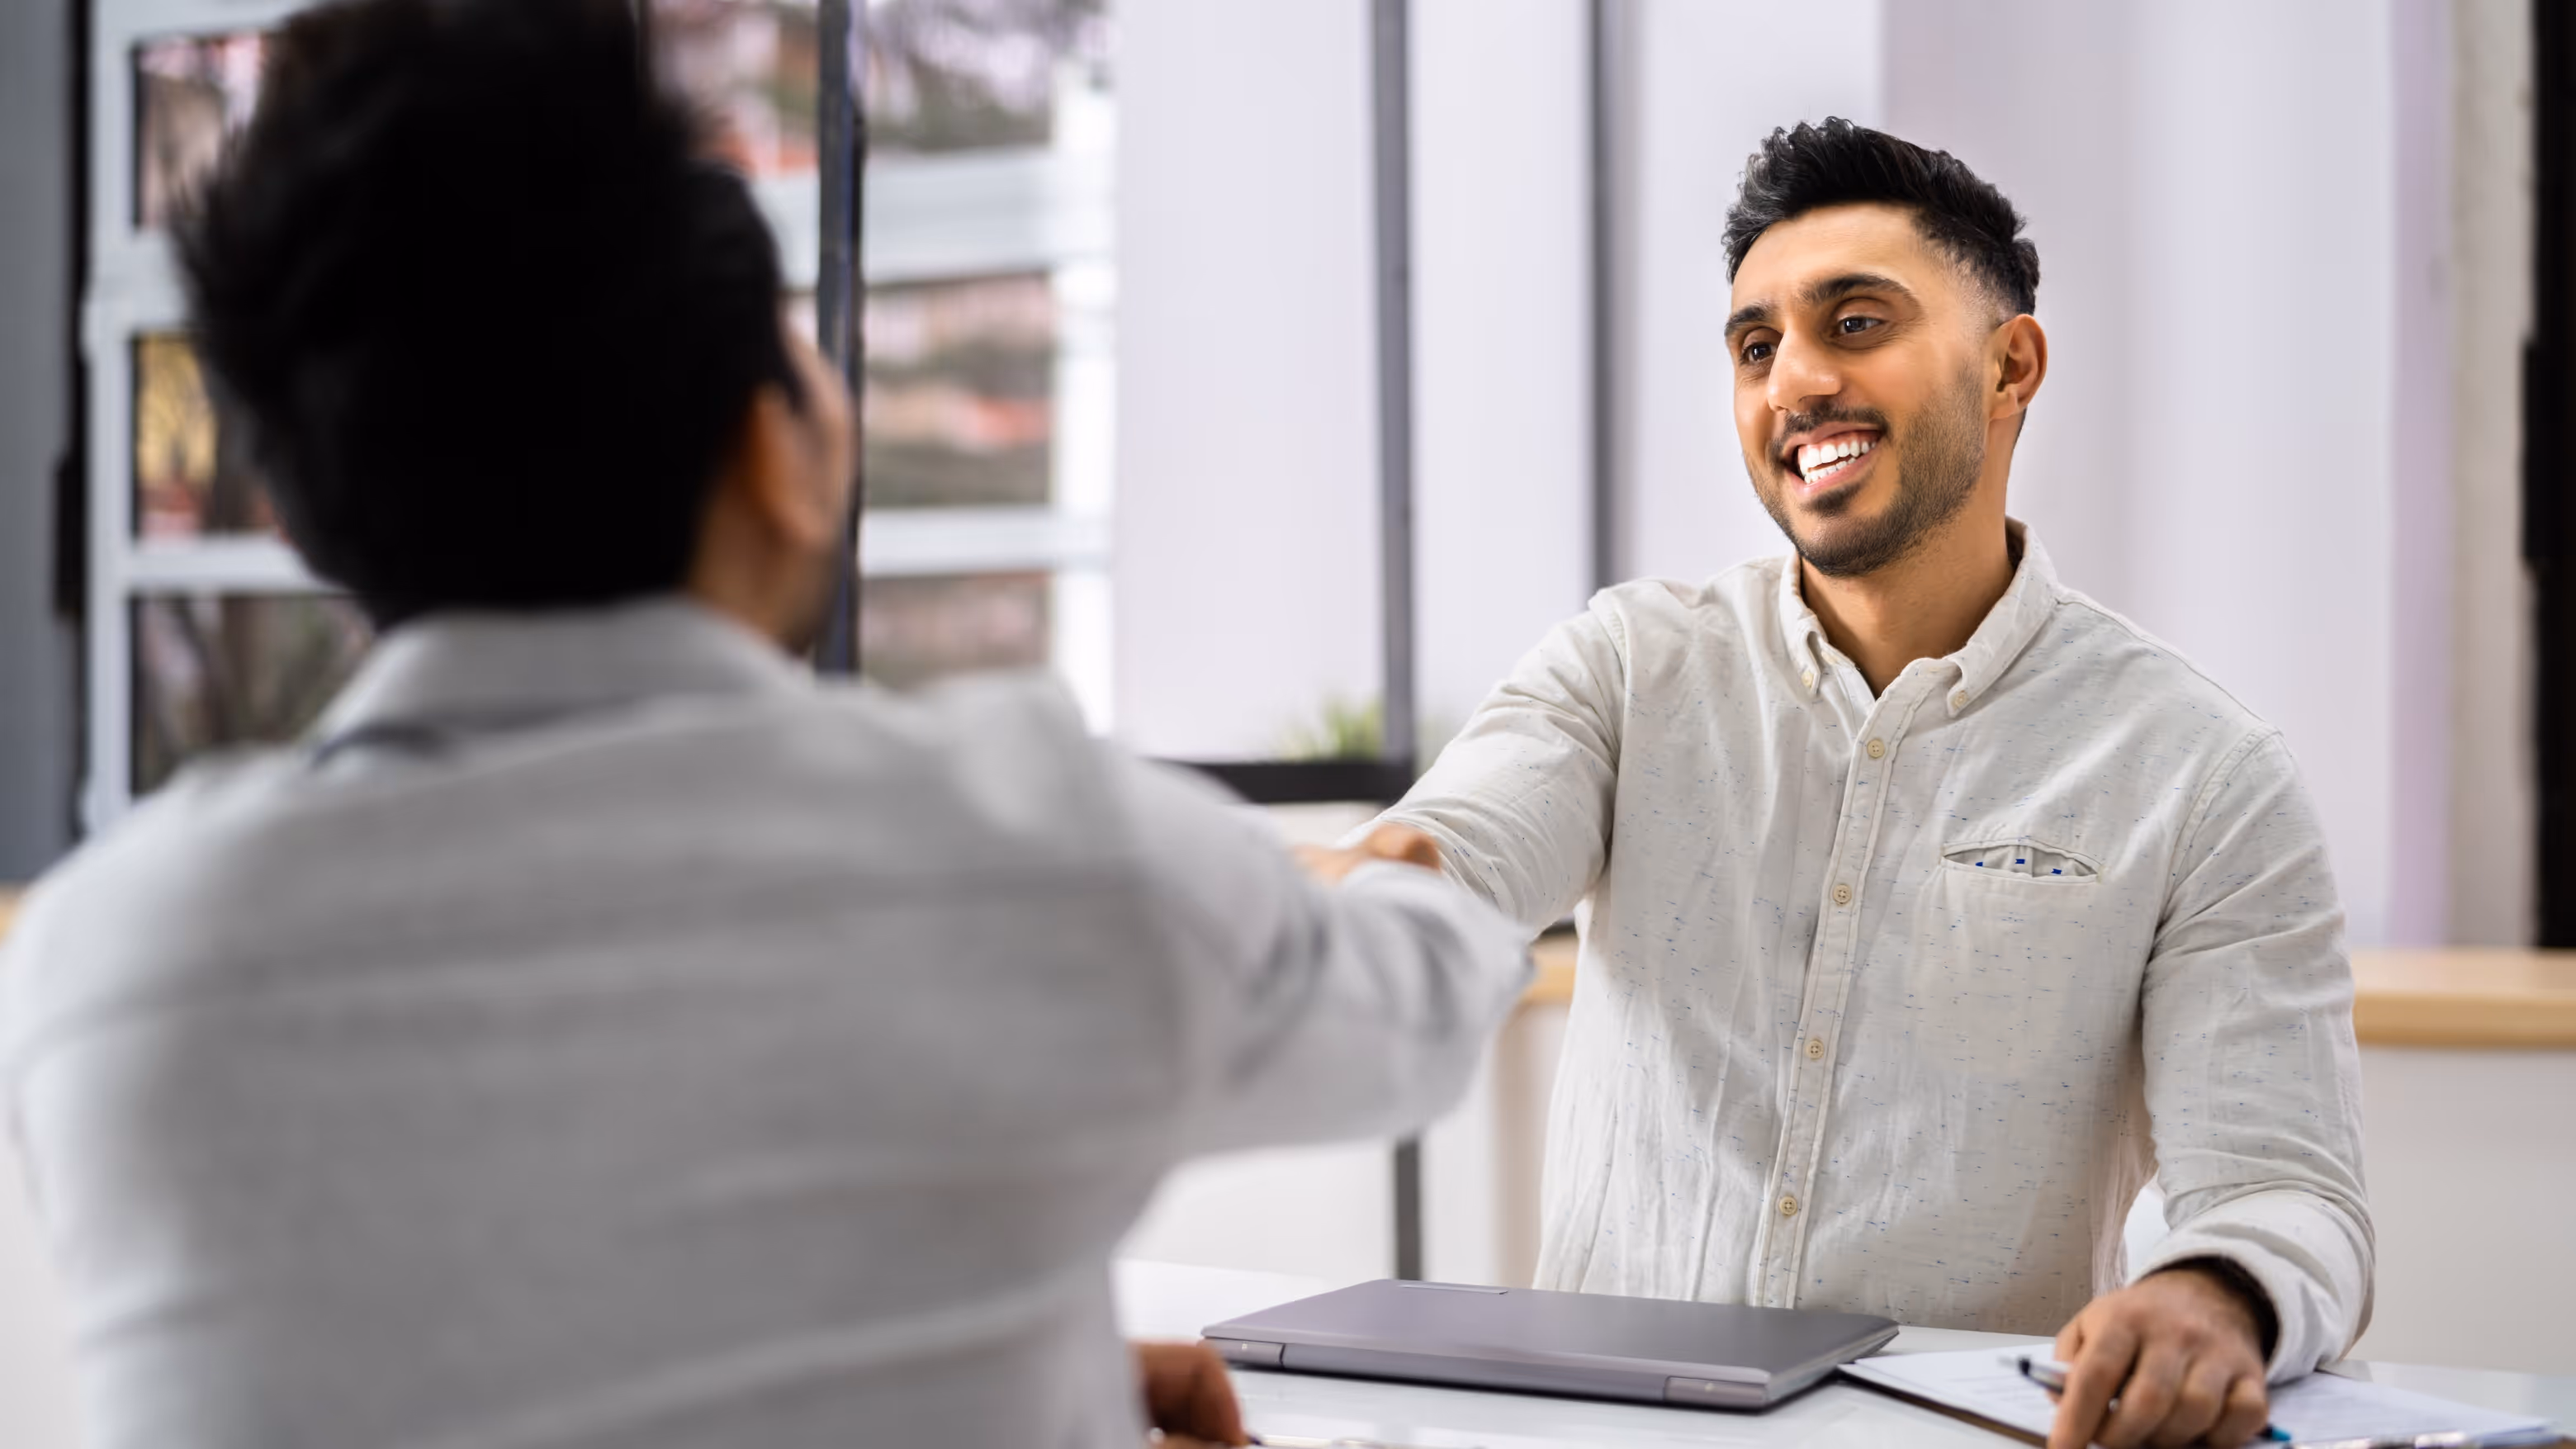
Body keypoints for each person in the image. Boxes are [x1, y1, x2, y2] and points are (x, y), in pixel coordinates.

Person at [0, 3, 1527, 1447]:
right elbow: (1432, 997)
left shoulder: (104, 970)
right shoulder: (1032, 853)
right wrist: (1415, 860)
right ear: (771, 450)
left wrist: (1000, 1370)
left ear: (314, 507)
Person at [1354, 119, 2371, 1449]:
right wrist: (1356, 900)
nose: (1797, 382)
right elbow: (1454, 857)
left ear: (2011, 367)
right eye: (1756, 345)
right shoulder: (1628, 667)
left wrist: (2210, 1296)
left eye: (1856, 322)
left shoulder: (2202, 769)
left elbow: (2286, 1189)